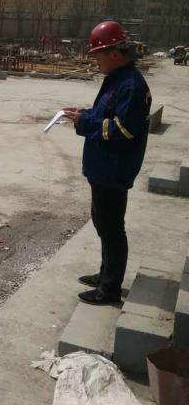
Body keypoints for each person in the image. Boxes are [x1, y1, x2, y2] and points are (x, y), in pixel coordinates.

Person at [64, 21, 151, 306]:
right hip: (103, 167)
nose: (96, 61)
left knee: (112, 228)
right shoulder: (117, 79)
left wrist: (85, 122)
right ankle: (105, 274)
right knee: (103, 223)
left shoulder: (131, 86)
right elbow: (106, 114)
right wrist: (84, 113)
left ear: (114, 53)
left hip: (114, 169)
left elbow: (123, 130)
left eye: (98, 56)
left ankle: (110, 288)